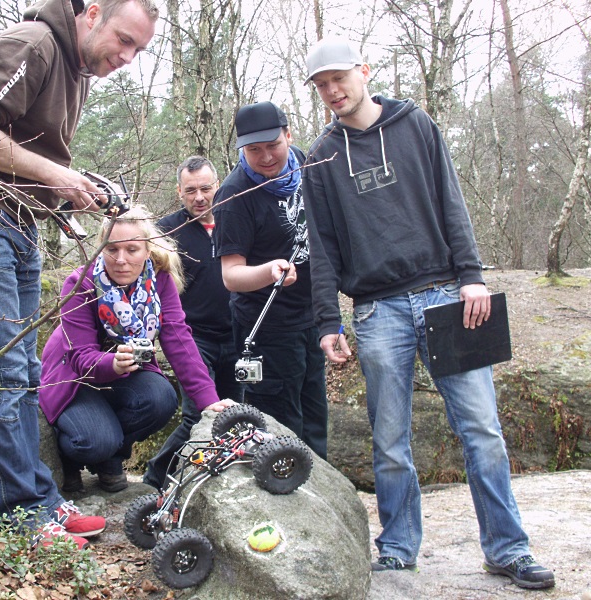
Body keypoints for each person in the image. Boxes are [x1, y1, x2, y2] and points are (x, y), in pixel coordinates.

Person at [301, 38, 554, 589]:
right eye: (321, 85)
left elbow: (450, 199)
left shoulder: (415, 124)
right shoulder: (320, 156)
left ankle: (507, 549)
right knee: (389, 440)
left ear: (364, 71)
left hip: (445, 295)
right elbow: (320, 246)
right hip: (376, 310)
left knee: (482, 430)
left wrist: (473, 277)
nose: (332, 91)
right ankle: (397, 548)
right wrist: (327, 322)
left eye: (339, 78)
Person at [0, 0, 159, 547]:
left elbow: (27, 156)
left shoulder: (75, 68)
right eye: (123, 40)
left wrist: (72, 189)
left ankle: (43, 503)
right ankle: (22, 516)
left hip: (20, 221)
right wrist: (59, 173)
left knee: (26, 370)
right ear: (92, 13)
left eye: (137, 50)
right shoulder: (33, 44)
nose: (126, 57)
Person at [39, 205, 235, 493]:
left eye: (132, 249)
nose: (121, 260)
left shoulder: (159, 280)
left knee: (162, 398)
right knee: (93, 442)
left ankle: (112, 457)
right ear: (101, 248)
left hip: (124, 371)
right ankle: (71, 454)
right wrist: (112, 364)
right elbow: (80, 357)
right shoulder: (80, 283)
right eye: (112, 249)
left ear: (147, 250)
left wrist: (208, 400)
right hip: (74, 376)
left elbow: (178, 338)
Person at [212, 101, 328, 460]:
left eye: (272, 146)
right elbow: (231, 276)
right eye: (253, 150)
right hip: (266, 327)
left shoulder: (308, 166)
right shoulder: (234, 196)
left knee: (316, 419)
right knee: (282, 425)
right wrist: (269, 271)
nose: (265, 157)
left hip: (312, 318)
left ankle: (323, 506)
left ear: (288, 136)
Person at [141, 156, 244, 490]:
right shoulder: (168, 233)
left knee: (235, 416)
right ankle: (156, 477)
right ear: (180, 192)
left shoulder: (236, 219)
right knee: (199, 415)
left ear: (218, 186)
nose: (199, 197)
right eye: (191, 191)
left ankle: (215, 482)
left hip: (238, 335)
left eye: (206, 188)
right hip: (192, 338)